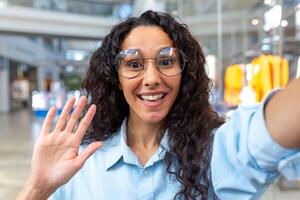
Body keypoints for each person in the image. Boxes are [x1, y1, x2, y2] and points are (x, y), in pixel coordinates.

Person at [17, 10, 300, 200]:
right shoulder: (80, 162)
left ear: (184, 73)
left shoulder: (215, 150)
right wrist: (38, 187)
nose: (151, 78)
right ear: (115, 77)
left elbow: (274, 127)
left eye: (166, 61)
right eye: (134, 64)